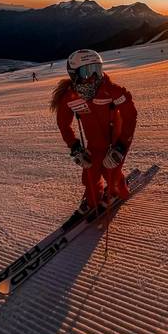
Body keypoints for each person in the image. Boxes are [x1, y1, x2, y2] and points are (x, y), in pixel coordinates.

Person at [49, 49, 137, 215]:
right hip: (95, 144)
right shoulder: (70, 98)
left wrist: (121, 147)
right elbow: (63, 124)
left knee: (112, 176)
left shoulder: (112, 90)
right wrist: (75, 147)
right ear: (74, 74)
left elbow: (130, 116)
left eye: (97, 69)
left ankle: (116, 190)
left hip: (115, 142)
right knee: (90, 174)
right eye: (88, 71)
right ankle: (93, 199)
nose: (95, 76)